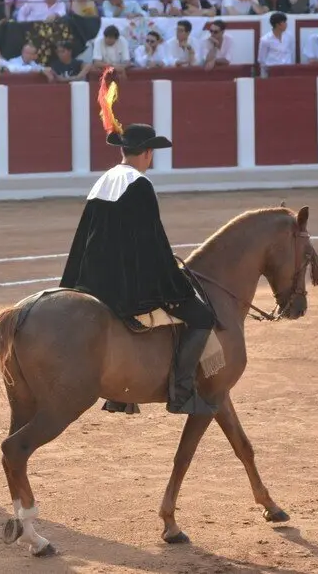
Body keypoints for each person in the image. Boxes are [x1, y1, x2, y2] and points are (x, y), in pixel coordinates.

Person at [59, 69, 217, 416]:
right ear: (145, 153)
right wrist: (174, 278)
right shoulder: (140, 185)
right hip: (125, 288)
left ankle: (120, 392)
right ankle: (181, 392)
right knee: (202, 315)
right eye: (152, 152)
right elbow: (151, 244)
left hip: (89, 282)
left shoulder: (104, 180)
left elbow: (87, 240)